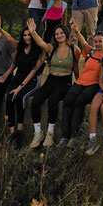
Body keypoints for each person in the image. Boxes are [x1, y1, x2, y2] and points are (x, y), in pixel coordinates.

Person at [26, 20, 79, 149]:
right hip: (51, 79)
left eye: (61, 33)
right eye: (56, 34)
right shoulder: (52, 48)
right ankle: (38, 133)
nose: (59, 35)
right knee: (35, 100)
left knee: (53, 101)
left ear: (66, 34)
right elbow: (41, 43)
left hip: (65, 81)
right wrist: (33, 33)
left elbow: (76, 69)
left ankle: (50, 133)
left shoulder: (73, 49)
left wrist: (78, 86)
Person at [59, 26, 103, 147]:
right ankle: (64, 136)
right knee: (67, 101)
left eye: (100, 41)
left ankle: (74, 136)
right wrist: (76, 30)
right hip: (80, 82)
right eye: (96, 41)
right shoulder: (91, 51)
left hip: (93, 84)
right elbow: (83, 41)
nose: (98, 43)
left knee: (79, 102)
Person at [2, 25, 45, 147]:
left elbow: (33, 71)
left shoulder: (39, 51)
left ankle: (20, 131)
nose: (27, 37)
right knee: (9, 97)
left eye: (29, 35)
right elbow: (13, 64)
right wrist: (5, 76)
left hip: (31, 81)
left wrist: (20, 87)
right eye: (25, 35)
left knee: (20, 97)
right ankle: (12, 134)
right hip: (17, 78)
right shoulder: (20, 48)